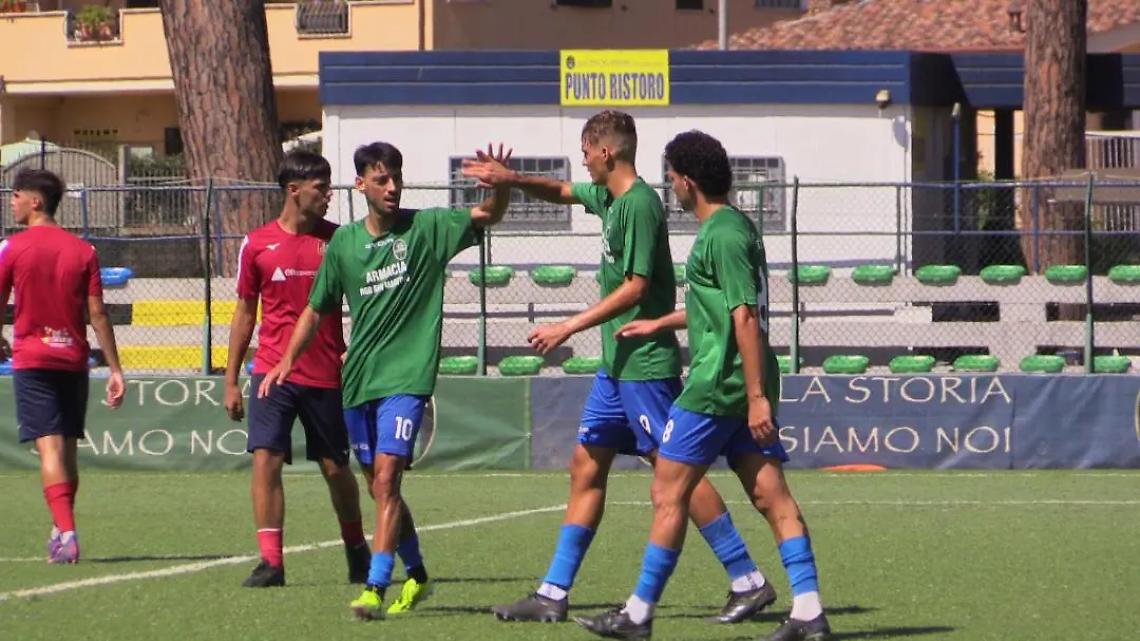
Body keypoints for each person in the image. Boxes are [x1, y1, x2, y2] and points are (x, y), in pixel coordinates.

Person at [462, 111, 776, 625]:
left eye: (585, 151)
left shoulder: (641, 206)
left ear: (605, 152)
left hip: (644, 368)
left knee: (677, 475)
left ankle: (748, 578)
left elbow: (635, 287)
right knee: (586, 466)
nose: (582, 160)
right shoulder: (609, 197)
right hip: (616, 366)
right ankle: (553, 592)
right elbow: (561, 191)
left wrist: (567, 327)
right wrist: (511, 179)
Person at [574, 130, 831, 641]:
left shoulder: (722, 235)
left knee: (668, 489)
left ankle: (639, 613)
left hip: (719, 389)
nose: (669, 185)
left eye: (671, 176)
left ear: (688, 182)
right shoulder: (734, 227)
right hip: (739, 386)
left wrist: (756, 398)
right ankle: (808, 611)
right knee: (770, 496)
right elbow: (714, 309)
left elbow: (744, 319)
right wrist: (659, 323)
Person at [260, 141, 512, 620]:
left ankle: (376, 585)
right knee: (380, 487)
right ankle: (416, 575)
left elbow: (486, 215)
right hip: (358, 382)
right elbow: (316, 309)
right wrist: (286, 360)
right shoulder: (344, 245)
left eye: (396, 177)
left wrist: (500, 189)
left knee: (387, 475)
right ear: (361, 185)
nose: (393, 187)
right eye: (381, 179)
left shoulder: (429, 227)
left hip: (407, 379)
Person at [223, 150, 370, 588]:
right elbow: (245, 313)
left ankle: (356, 548)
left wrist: (354, 349)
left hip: (325, 373)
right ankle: (271, 562)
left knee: (335, 469)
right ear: (294, 190)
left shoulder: (341, 240)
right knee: (265, 459)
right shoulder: (256, 244)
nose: (328, 195)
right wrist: (230, 379)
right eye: (321, 187)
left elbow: (365, 301)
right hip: (270, 371)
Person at [0, 168, 125, 564]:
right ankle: (60, 528)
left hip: (34, 359)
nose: (11, 201)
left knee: (49, 448)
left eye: (15, 195)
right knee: (67, 448)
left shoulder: (13, 248)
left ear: (35, 201)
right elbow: (98, 313)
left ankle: (67, 532)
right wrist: (116, 368)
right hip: (73, 359)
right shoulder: (83, 250)